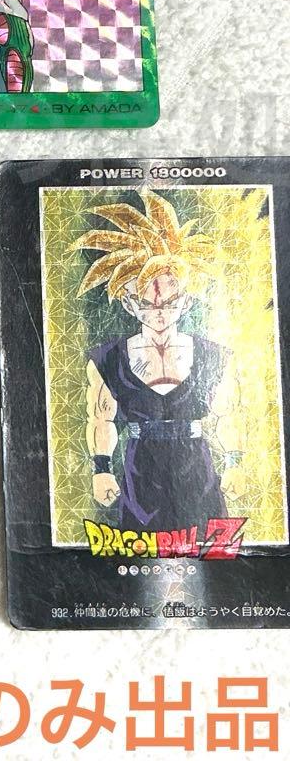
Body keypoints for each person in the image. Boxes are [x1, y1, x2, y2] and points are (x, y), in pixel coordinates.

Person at [75, 189, 245, 531]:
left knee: (203, 545)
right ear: (128, 303)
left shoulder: (213, 355)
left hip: (197, 467)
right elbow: (101, 418)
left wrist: (235, 463)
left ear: (186, 301)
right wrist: (101, 469)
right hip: (141, 468)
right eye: (147, 304)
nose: (159, 312)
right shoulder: (109, 359)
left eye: (169, 302)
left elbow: (230, 412)